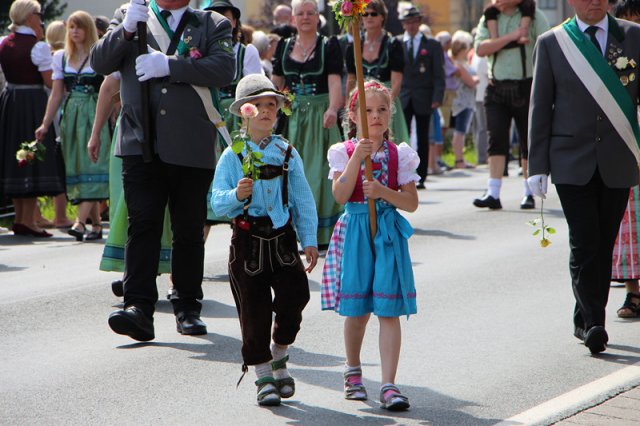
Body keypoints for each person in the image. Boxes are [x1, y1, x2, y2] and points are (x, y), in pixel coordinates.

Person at [91, 0, 235, 341]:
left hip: (191, 143)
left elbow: (224, 69)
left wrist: (170, 65)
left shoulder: (211, 23)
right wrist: (126, 31)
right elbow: (100, 62)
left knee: (188, 229)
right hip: (140, 140)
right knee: (142, 224)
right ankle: (138, 308)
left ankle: (187, 306)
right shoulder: (128, 15)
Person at [528, 0, 640, 353]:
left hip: (618, 156)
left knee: (604, 242)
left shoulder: (633, 36)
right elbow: (540, 106)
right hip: (570, 160)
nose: (595, 1)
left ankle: (584, 317)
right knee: (584, 240)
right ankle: (594, 323)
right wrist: (536, 165)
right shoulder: (552, 42)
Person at [211, 74, 318, 406]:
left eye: (272, 104)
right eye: (257, 105)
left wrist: (309, 239)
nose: (267, 110)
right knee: (253, 311)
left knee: (296, 297)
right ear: (244, 112)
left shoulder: (287, 153)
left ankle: (280, 352)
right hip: (248, 242)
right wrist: (236, 194)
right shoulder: (232, 155)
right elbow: (215, 203)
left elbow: (302, 199)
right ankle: (263, 376)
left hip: (282, 240)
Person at [321, 80, 419, 411]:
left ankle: (389, 385)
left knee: (389, 310)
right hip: (357, 232)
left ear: (390, 114)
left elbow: (411, 203)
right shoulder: (344, 151)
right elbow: (339, 195)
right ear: (353, 115)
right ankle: (353, 372)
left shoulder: (399, 154)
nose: (375, 116)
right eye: (367, 110)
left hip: (387, 232)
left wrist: (382, 192)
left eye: (381, 110)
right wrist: (356, 160)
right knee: (358, 310)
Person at [272, 0, 344, 247]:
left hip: (319, 116)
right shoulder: (284, 46)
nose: (305, 17)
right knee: (289, 173)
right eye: (300, 13)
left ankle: (320, 234)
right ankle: (291, 232)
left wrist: (333, 108)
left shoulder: (328, 45)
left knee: (317, 173)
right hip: (292, 119)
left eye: (310, 13)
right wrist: (272, 107)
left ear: (317, 17)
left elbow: (334, 82)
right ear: (293, 18)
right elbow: (276, 83)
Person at [36, 11, 111, 242]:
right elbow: (56, 94)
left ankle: (79, 222)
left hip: (94, 115)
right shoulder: (61, 57)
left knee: (93, 165)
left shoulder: (98, 55)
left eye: (80, 27)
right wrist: (45, 124)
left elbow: (110, 91)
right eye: (71, 27)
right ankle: (96, 225)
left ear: (89, 29)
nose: (75, 31)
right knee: (77, 166)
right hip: (71, 117)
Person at [473, 0, 549, 210]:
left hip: (525, 85)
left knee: (527, 140)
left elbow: (547, 44)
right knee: (496, 139)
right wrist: (512, 37)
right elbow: (481, 48)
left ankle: (529, 193)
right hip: (496, 86)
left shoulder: (534, 15)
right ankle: (493, 193)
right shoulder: (490, 16)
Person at [0, 0, 66, 238]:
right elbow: (49, 81)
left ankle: (20, 218)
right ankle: (27, 220)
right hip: (32, 104)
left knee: (17, 155)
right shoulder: (37, 47)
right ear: (29, 17)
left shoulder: (4, 43)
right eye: (38, 14)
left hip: (10, 102)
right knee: (31, 155)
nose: (41, 18)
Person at [610, 0, 640, 319]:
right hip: (627, 144)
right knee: (629, 217)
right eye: (626, 20)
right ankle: (634, 291)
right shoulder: (613, 54)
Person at [344, 0, 409, 145]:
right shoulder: (354, 45)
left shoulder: (393, 45)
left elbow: (396, 81)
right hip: (361, 102)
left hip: (385, 101)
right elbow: (351, 79)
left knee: (389, 146)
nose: (369, 17)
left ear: (382, 17)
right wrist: (348, 104)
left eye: (373, 14)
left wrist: (385, 106)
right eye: (365, 14)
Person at [397, 6, 444, 189]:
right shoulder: (397, 42)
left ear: (419, 23)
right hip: (403, 96)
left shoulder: (431, 44)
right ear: (403, 24)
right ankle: (402, 175)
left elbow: (438, 73)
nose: (411, 25)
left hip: (424, 96)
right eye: (407, 22)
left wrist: (437, 96)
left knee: (423, 136)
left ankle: (421, 175)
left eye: (414, 21)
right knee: (403, 135)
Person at [450, 30, 478, 169]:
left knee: (461, 131)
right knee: (460, 131)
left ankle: (460, 159)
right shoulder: (458, 65)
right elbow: (470, 82)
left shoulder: (460, 63)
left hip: (465, 100)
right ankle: (459, 160)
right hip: (462, 101)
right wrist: (476, 79)